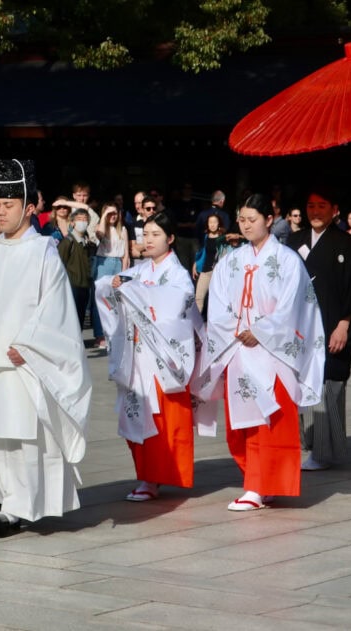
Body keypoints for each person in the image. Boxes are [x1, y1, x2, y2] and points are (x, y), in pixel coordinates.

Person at [0, 159, 91, 538]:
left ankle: (21, 505)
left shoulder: (43, 250)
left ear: (29, 207)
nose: (1, 210)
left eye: (9, 204)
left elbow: (56, 308)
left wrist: (30, 344)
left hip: (20, 360)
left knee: (19, 438)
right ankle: (2, 494)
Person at [203, 193, 325, 511]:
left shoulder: (287, 260)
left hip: (272, 353)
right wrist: (233, 330)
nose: (246, 225)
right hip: (238, 349)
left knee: (269, 422)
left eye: (252, 219)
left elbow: (293, 306)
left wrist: (261, 331)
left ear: (269, 220)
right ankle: (258, 483)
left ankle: (257, 487)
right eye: (241, 219)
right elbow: (216, 303)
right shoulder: (230, 260)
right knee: (240, 425)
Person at [95, 212, 208, 502]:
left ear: (170, 239)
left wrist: (141, 294)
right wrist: (116, 285)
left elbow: (178, 310)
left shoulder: (178, 274)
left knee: (163, 418)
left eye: (156, 234)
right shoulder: (141, 270)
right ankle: (146, 477)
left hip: (163, 359)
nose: (149, 240)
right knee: (138, 415)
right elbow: (109, 287)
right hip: (137, 357)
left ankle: (157, 477)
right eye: (146, 234)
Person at [286, 187, 351, 471]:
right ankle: (306, 444)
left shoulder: (345, 243)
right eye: (311, 205)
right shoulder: (292, 241)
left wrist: (345, 324)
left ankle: (324, 451)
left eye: (322, 206)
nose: (315, 211)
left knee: (328, 384)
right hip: (299, 326)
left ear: (334, 210)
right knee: (300, 384)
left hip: (332, 323)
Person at [90, 202, 129, 349]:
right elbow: (98, 234)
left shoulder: (123, 229)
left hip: (117, 263)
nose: (113, 216)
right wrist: (105, 215)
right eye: (109, 213)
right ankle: (100, 335)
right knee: (100, 298)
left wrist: (124, 271)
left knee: (115, 300)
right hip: (103, 263)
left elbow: (126, 254)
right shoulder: (101, 228)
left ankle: (113, 332)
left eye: (115, 213)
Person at [57, 207, 96, 335]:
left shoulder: (87, 242)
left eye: (85, 219)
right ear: (72, 222)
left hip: (84, 285)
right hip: (72, 285)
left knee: (80, 316)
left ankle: (77, 343)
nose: (82, 222)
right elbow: (58, 263)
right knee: (72, 318)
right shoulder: (68, 241)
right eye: (79, 219)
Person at [192, 213, 225, 315]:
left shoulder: (223, 238)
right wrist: (195, 265)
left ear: (219, 223)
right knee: (198, 297)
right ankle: (196, 324)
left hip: (217, 273)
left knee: (216, 299)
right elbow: (202, 253)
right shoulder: (206, 236)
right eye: (210, 222)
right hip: (205, 271)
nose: (212, 224)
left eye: (215, 222)